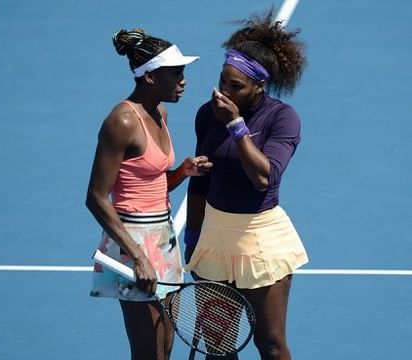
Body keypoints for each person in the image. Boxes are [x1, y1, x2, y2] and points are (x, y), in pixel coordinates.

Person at [184, 10, 309, 360]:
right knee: (218, 348)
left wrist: (237, 127)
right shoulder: (207, 115)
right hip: (214, 236)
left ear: (259, 87)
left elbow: (264, 177)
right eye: (223, 81)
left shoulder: (282, 118)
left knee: (269, 345)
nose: (224, 91)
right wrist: (192, 238)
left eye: (236, 86)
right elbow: (200, 185)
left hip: (261, 239)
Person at [86, 29, 212, 360]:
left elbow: (152, 184)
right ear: (151, 77)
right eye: (176, 74)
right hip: (133, 242)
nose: (183, 81)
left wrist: (182, 172)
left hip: (162, 236)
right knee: (148, 351)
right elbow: (96, 198)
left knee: (166, 344)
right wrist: (138, 256)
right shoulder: (122, 120)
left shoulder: (160, 113)